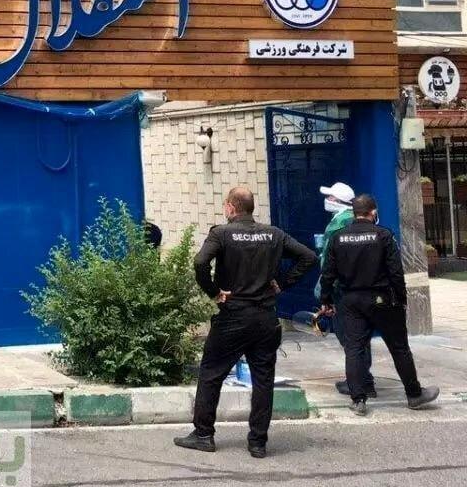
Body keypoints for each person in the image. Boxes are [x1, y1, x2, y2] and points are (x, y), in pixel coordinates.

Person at [174, 186, 318, 459]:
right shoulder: (273, 234)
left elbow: (200, 262)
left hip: (233, 316)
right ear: (251, 208)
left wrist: (214, 292)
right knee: (263, 379)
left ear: (231, 207)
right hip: (265, 317)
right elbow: (309, 257)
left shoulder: (221, 233)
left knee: (211, 374)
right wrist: (283, 283)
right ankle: (258, 442)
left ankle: (203, 435)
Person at [320, 194, 439, 416]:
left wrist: (326, 300)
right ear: (373, 212)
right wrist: (402, 299)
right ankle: (414, 395)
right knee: (399, 348)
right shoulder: (384, 235)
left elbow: (328, 273)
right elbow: (396, 272)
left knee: (354, 350)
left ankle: (358, 400)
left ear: (354, 213)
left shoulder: (338, 238)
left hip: (351, 301)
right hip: (382, 299)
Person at [316, 181, 377, 397]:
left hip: (343, 290)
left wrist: (325, 294)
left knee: (349, 337)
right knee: (360, 336)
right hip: (363, 287)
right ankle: (363, 379)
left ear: (339, 201)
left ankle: (360, 382)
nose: (327, 200)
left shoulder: (339, 224)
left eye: (331, 197)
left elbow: (330, 262)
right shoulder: (354, 220)